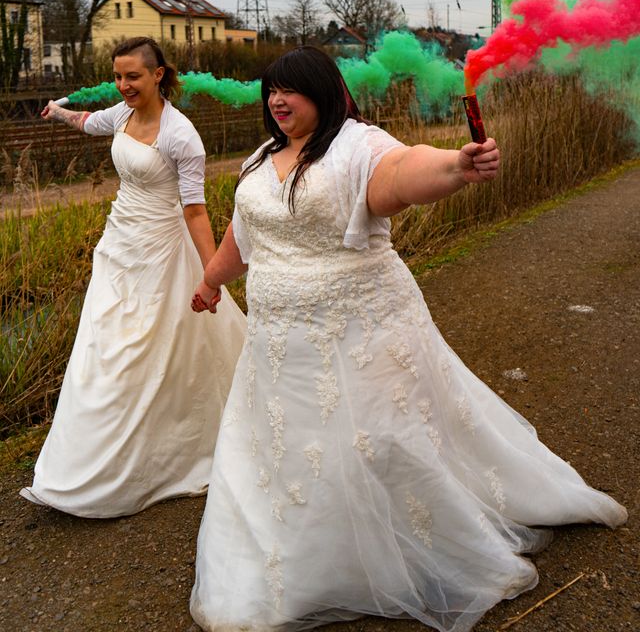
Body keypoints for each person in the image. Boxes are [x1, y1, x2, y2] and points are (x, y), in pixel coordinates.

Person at [189, 46, 627, 632]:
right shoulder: (259, 159)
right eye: (271, 91)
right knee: (291, 440)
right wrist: (211, 282)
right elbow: (243, 241)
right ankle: (307, 547)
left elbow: (401, 174)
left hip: (360, 326)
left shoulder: (357, 145)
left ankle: (401, 542)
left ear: (323, 91)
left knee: (379, 437)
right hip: (279, 340)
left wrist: (456, 166)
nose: (278, 100)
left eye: (290, 90)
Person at [20, 36, 247, 518]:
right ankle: (85, 456)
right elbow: (87, 123)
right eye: (119, 77)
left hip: (163, 254)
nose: (124, 85)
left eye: (133, 77)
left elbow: (196, 211)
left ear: (158, 74)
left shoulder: (181, 135)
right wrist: (58, 111)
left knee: (149, 350)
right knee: (103, 344)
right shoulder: (121, 116)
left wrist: (212, 276)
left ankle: (159, 453)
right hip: (119, 247)